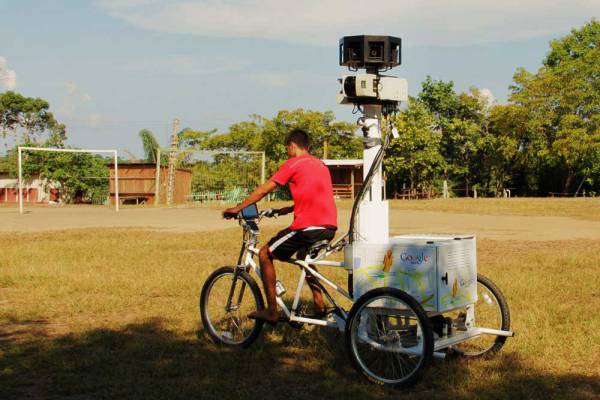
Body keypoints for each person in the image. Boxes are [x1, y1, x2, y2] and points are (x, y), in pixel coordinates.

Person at [222, 128, 337, 324]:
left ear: (292, 146)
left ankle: (271, 311)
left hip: (307, 228)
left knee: (265, 254)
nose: (287, 152)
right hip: (329, 227)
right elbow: (313, 197)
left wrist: (238, 207)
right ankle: (319, 304)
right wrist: (286, 210)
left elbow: (264, 190)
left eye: (287, 149)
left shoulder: (293, 163)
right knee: (303, 256)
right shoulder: (320, 164)